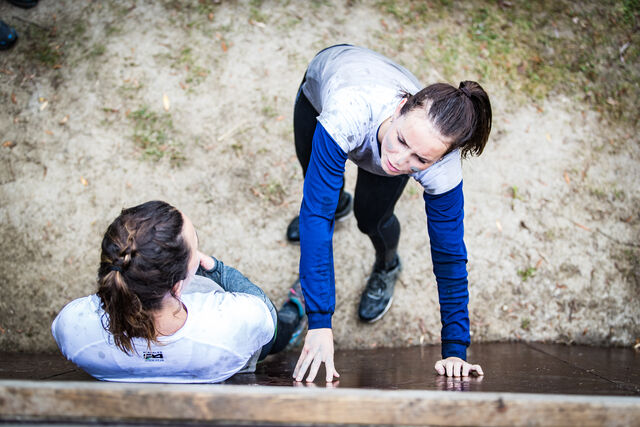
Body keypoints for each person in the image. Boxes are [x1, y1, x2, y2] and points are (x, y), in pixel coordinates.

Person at [286, 45, 491, 382]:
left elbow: (450, 256)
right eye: (401, 139)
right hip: (327, 86)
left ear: (438, 159)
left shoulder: (442, 166)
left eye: (420, 160)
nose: (398, 159)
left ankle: (387, 265)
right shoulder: (349, 111)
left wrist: (455, 348)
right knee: (321, 191)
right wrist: (320, 321)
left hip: (371, 111)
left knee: (372, 217)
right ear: (400, 108)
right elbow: (315, 217)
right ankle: (339, 201)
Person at [52, 200, 305, 383]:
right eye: (195, 248)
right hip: (228, 359)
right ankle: (295, 311)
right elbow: (264, 313)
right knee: (276, 332)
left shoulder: (73, 325)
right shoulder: (235, 319)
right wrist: (217, 270)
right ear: (176, 285)